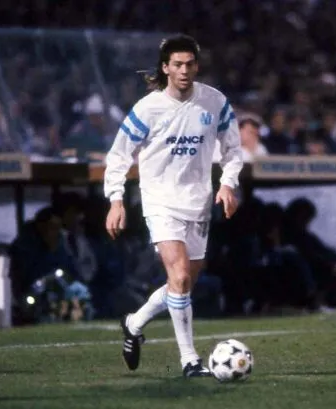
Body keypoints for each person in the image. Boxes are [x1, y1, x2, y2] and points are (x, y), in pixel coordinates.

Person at [103, 34, 243, 377]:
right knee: (178, 276)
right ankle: (190, 361)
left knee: (182, 285)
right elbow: (118, 156)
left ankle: (134, 324)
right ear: (165, 68)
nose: (184, 70)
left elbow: (233, 150)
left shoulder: (215, 102)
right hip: (160, 201)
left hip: (198, 202)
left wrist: (227, 184)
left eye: (190, 64)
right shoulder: (147, 109)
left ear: (197, 66)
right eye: (177, 64)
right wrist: (116, 200)